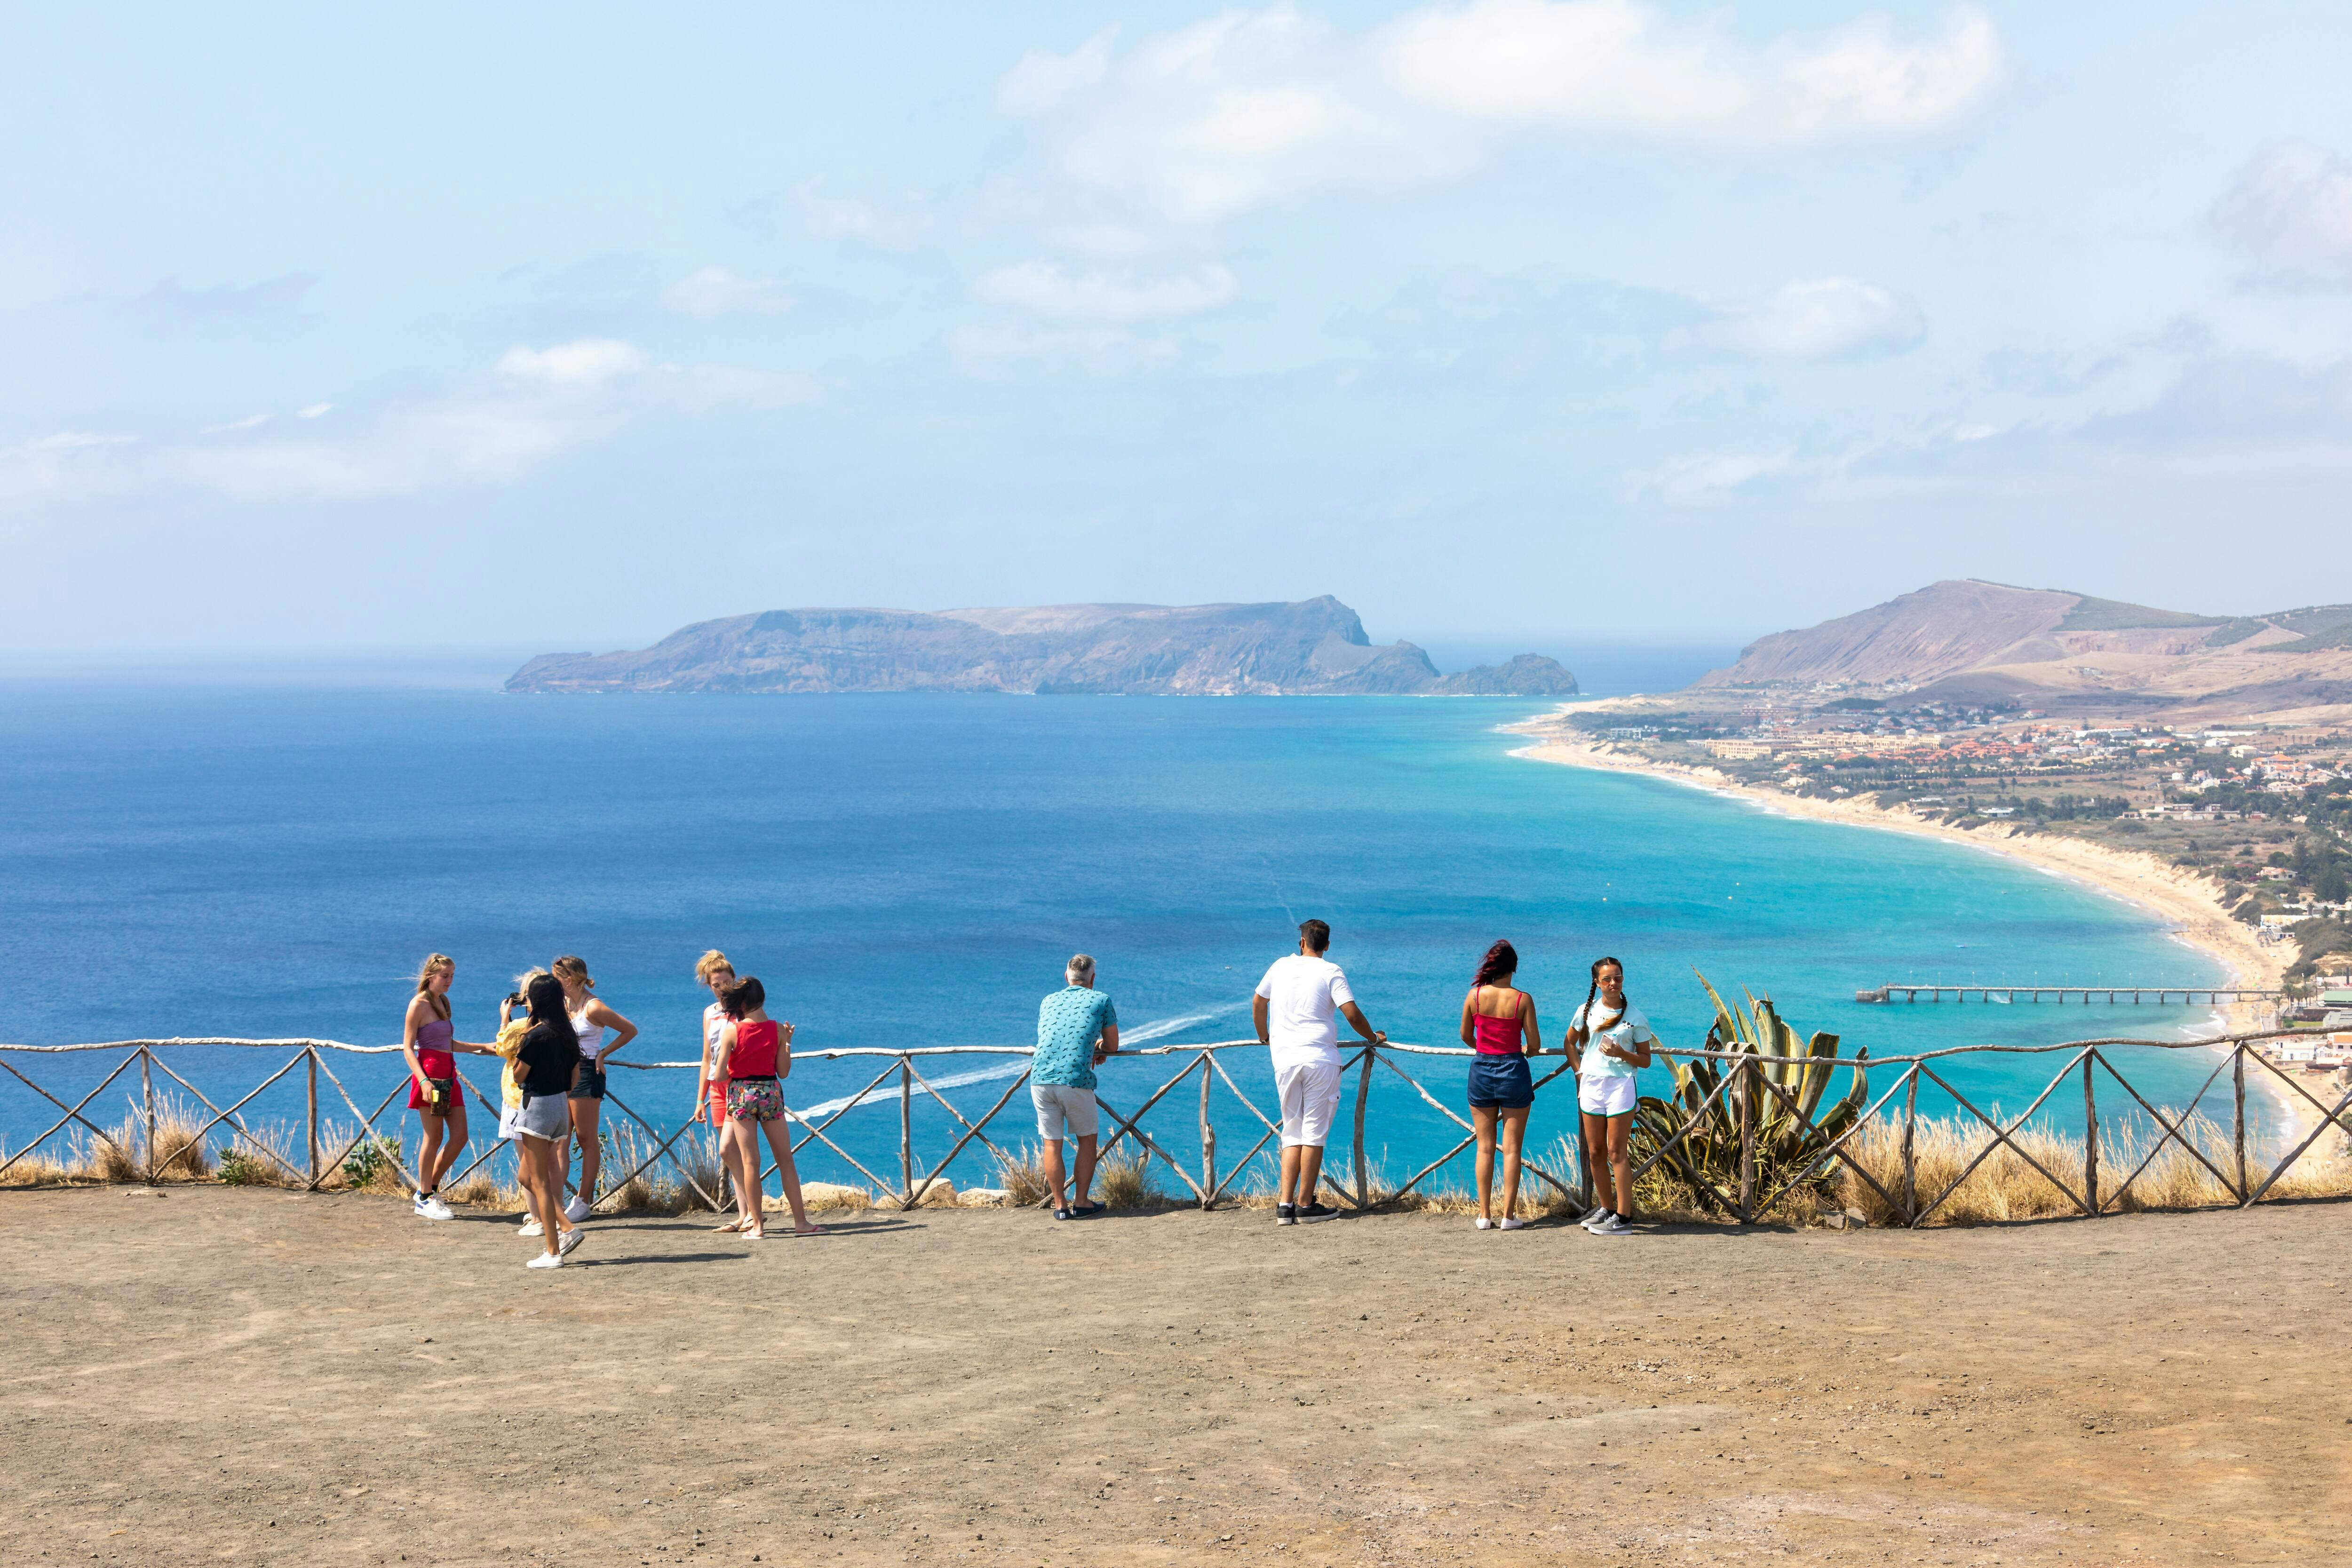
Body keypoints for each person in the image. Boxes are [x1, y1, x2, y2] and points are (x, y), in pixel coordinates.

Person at [1254, 919, 1384, 1225]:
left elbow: (1259, 1001)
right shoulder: (1331, 971)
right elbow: (1351, 1013)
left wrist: (1264, 1036)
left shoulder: (1280, 966)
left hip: (1285, 1058)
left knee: (1292, 1130)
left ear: (1301, 942)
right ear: (1327, 945)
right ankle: (1305, 1204)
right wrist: (1373, 1037)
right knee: (1313, 1132)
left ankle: (1285, 1206)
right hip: (1320, 1059)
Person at [711, 975, 826, 1239]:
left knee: (751, 1162)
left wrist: (736, 1067)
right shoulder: (778, 1030)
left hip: (741, 1094)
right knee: (785, 1159)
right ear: (762, 999)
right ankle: (801, 1223)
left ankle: (758, 1226)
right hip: (770, 1093)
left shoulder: (732, 1031)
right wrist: (788, 1042)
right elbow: (783, 1072)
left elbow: (718, 1075)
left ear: (741, 1003)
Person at [1565, 956, 1654, 1236]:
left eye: (1618, 978)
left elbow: (1645, 1060)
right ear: (1597, 982)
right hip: (1591, 1085)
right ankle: (1606, 1209)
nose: (1613, 983)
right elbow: (1569, 1042)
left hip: (1621, 1086)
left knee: (1617, 1151)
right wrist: (1580, 1073)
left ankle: (1624, 1218)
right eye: (1607, 979)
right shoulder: (1586, 1011)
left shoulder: (1635, 1017)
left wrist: (1621, 1053)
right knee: (1595, 1152)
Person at [401, 954, 493, 1220]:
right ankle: (425, 1198)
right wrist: (423, 1081)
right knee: (434, 1137)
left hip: (449, 1077)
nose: (450, 981)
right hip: (432, 1079)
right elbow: (408, 1048)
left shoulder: (443, 1002)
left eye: (452, 975)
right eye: (445, 976)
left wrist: (484, 1047)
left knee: (460, 1136)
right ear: (431, 975)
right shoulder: (418, 1004)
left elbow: (447, 1044)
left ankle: (428, 1190)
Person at [1031, 953, 1121, 1220]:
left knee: (1052, 1145)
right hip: (1075, 1080)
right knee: (1087, 1140)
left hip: (1040, 1078)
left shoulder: (1048, 1000)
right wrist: (1099, 1047)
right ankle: (1081, 1203)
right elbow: (1113, 1045)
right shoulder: (1101, 1000)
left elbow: (1054, 1037)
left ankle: (1060, 1207)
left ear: (1067, 977)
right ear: (1092, 979)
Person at [1459, 939, 1541, 1232]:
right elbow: (1534, 1044)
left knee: (1484, 1147)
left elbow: (1465, 1035)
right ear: (1514, 968)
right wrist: (1521, 1049)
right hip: (1514, 1071)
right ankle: (1508, 1215)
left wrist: (1485, 1048)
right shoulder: (1523, 1000)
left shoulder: (1475, 996)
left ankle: (1484, 1215)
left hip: (1481, 1070)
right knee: (1512, 1149)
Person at [509, 972, 588, 1268]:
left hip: (537, 1106)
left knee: (539, 1181)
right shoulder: (567, 1033)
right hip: (559, 1106)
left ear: (536, 1000)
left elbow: (519, 1076)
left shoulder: (536, 1035)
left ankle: (553, 1251)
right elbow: (575, 1076)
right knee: (527, 1176)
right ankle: (567, 1228)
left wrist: (521, 1048)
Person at [552, 955, 636, 1224]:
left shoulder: (594, 1007)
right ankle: (554, 1201)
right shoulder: (563, 1004)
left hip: (587, 1072)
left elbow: (629, 1030)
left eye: (556, 978)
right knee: (560, 1139)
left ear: (568, 979)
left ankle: (583, 1201)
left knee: (586, 1139)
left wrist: (603, 1054)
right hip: (561, 1073)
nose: (553, 983)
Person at [693, 949, 747, 1230]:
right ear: (709, 985)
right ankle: (744, 1214)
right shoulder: (709, 1013)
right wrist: (699, 1099)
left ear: (735, 980)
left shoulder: (745, 1009)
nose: (723, 988)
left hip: (739, 1084)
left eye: (727, 982)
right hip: (716, 1086)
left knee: (732, 1149)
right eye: (716, 985)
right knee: (731, 1154)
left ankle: (752, 1213)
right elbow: (707, 1057)